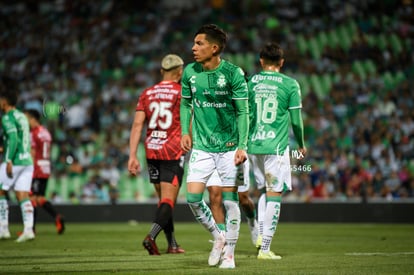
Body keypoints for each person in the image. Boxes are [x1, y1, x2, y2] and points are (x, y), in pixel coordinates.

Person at [180, 24, 249, 269]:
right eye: (194, 43)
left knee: (230, 202)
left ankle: (229, 255)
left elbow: (243, 112)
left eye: (199, 44)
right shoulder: (189, 72)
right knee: (192, 198)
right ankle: (219, 236)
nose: (193, 48)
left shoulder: (233, 73)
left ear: (214, 48)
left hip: (230, 148)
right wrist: (184, 132)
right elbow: (186, 105)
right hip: (202, 147)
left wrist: (242, 145)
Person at [248, 42, 306, 260]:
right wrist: (300, 143)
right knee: (275, 194)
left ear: (261, 61)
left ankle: (261, 236)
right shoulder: (290, 84)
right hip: (276, 147)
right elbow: (297, 121)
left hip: (254, 146)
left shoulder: (251, 81)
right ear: (281, 62)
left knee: (263, 190)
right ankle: (265, 249)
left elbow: (244, 113)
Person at [128, 54, 185, 255]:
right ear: (180, 72)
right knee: (169, 201)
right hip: (172, 150)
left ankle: (172, 244)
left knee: (163, 200)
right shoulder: (181, 92)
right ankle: (151, 237)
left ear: (162, 71)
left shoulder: (147, 93)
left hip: (151, 150)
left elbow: (137, 125)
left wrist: (132, 155)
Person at [0, 88, 35, 242]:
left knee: (0, 191)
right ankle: (28, 229)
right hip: (27, 160)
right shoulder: (22, 116)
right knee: (22, 195)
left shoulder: (7, 117)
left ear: (5, 102)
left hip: (15, 161)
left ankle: (3, 228)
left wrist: (8, 159)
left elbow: (13, 138)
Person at [25, 109, 65, 235]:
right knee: (39, 198)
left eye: (26, 118)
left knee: (31, 198)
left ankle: (31, 228)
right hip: (46, 166)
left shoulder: (33, 133)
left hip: (36, 168)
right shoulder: (46, 132)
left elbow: (32, 152)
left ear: (33, 119)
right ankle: (57, 217)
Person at [207, 166, 258, 246]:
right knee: (215, 196)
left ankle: (252, 223)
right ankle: (222, 238)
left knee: (243, 200)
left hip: (234, 159)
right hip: (213, 158)